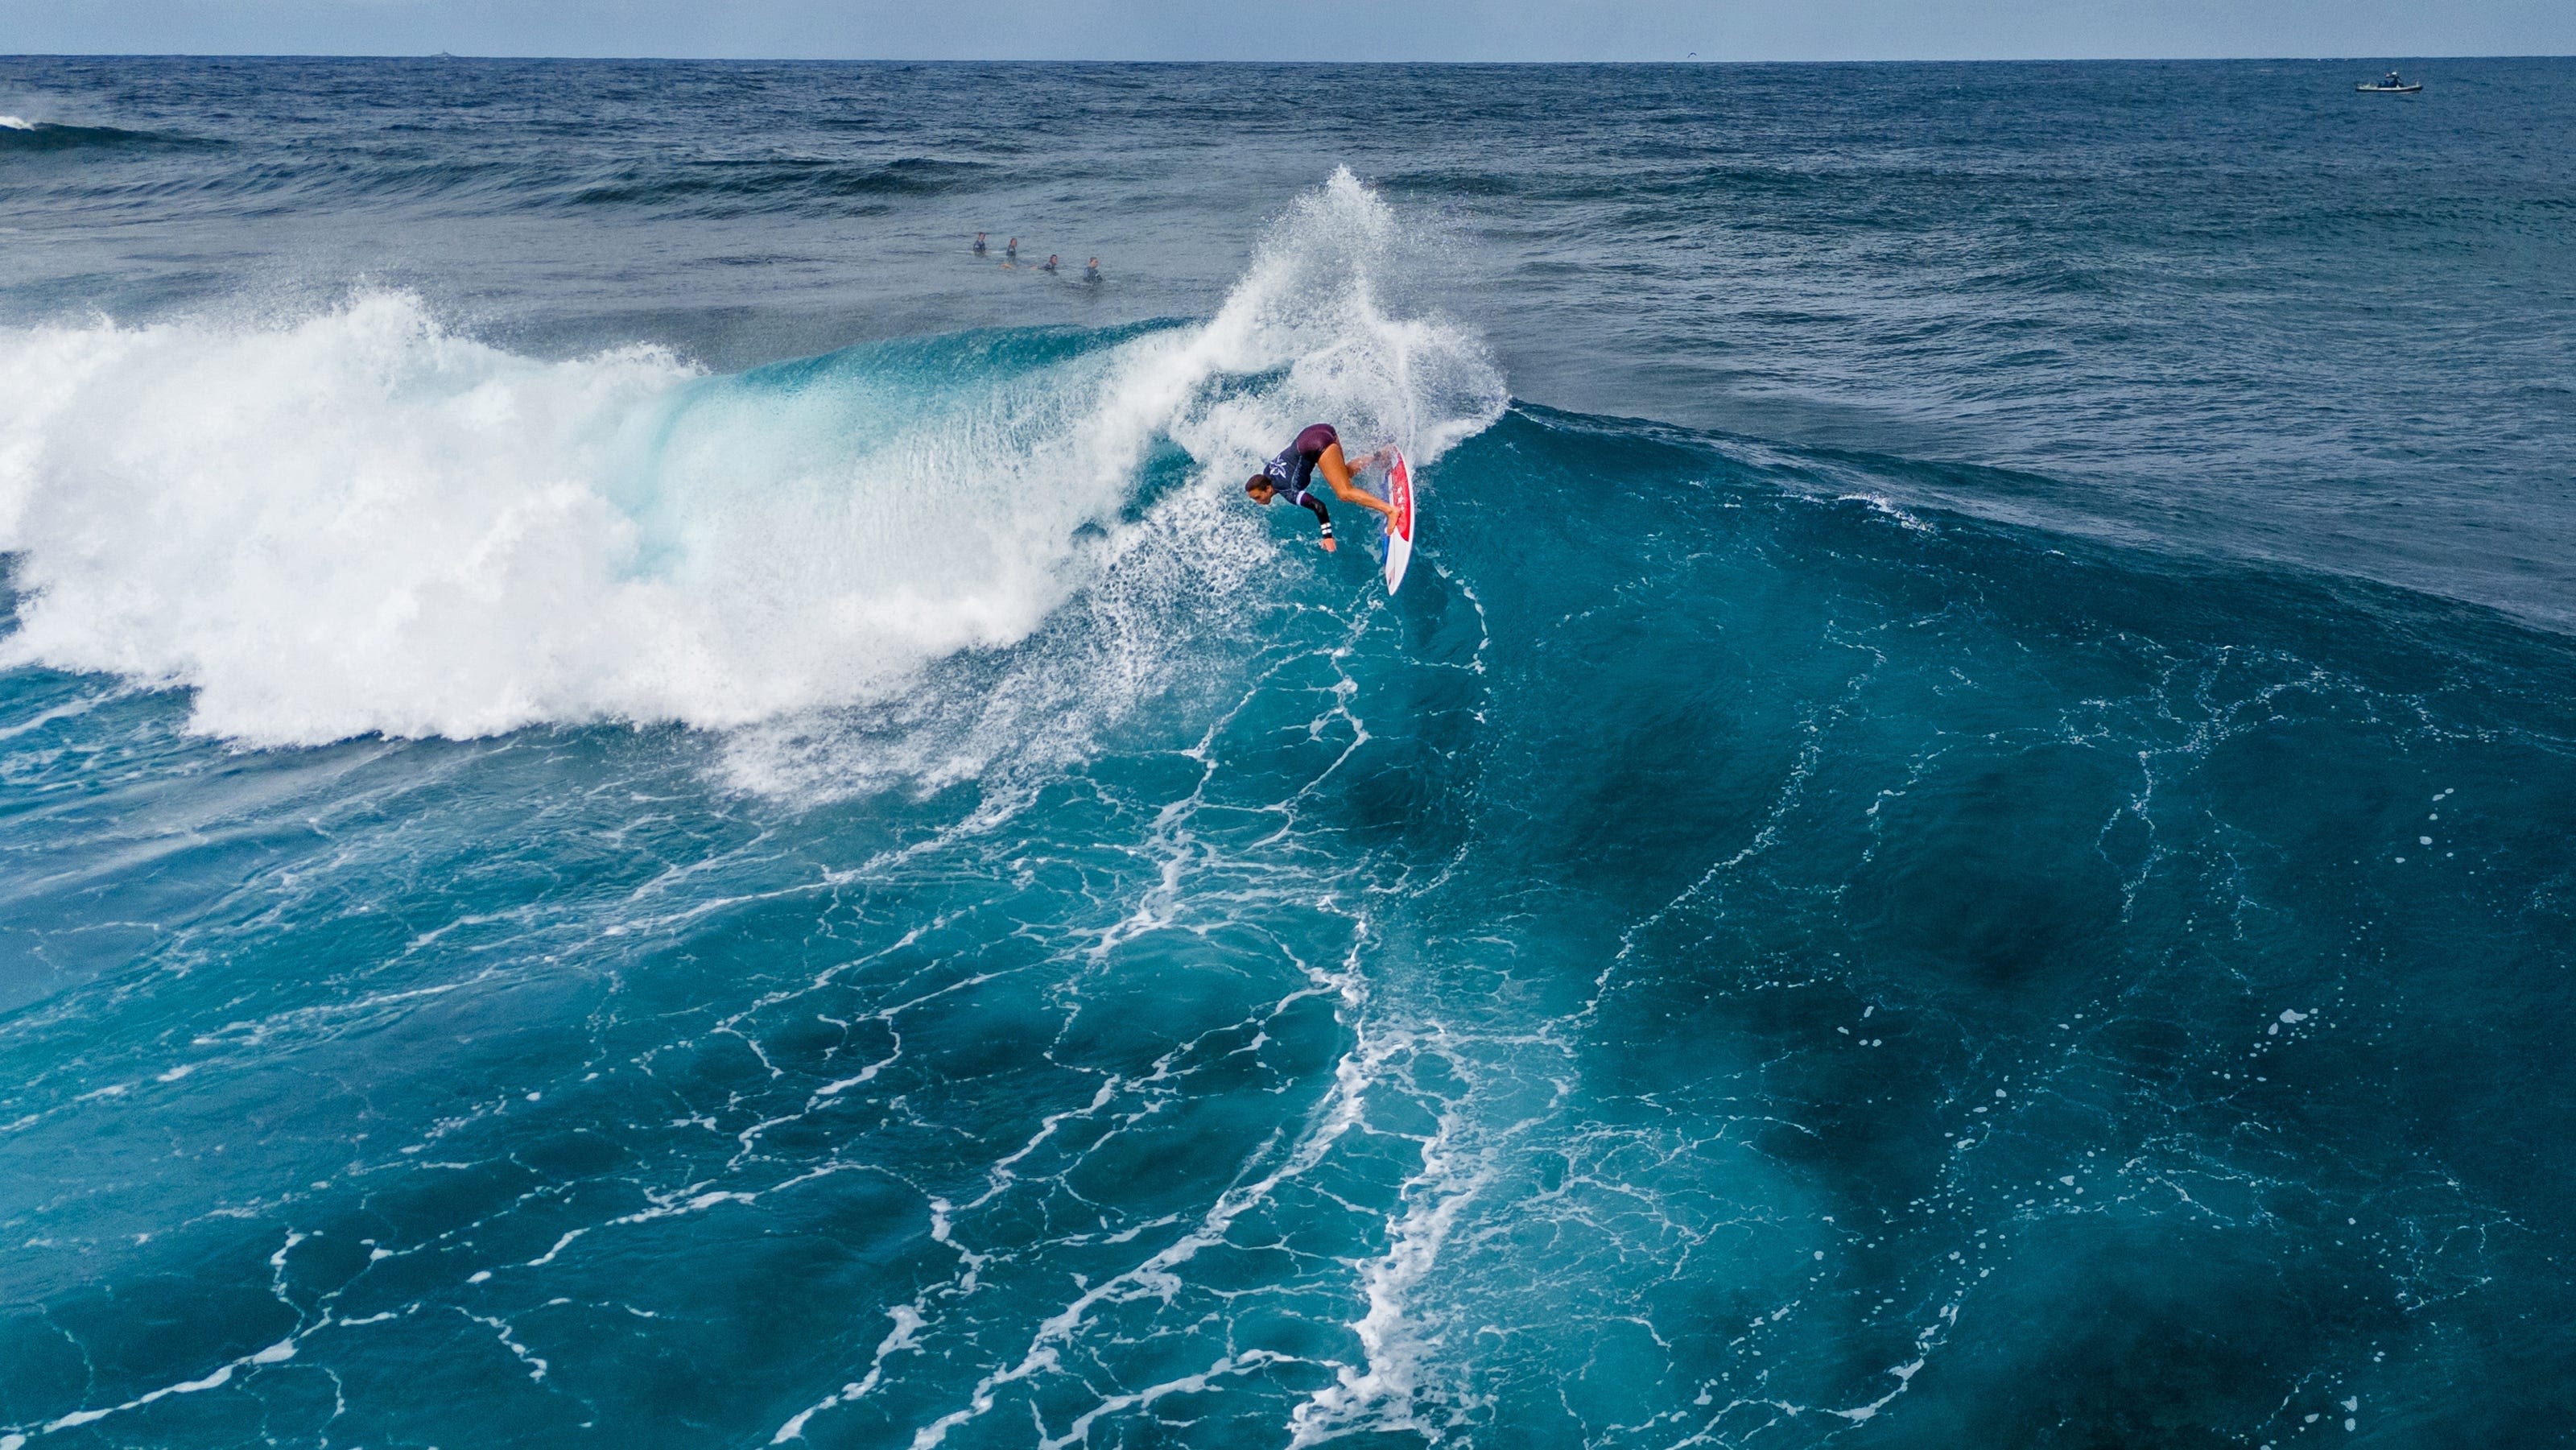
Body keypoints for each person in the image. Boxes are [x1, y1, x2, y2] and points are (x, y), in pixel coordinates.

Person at [1244, 423, 1394, 553]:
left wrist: (1327, 537)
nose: (1258, 501)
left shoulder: (1288, 490)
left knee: (1344, 493)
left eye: (1258, 497)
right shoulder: (1267, 472)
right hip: (1319, 430)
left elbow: (1318, 506)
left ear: (1268, 489)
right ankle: (1382, 454)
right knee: (1344, 473)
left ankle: (1390, 510)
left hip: (1316, 444)